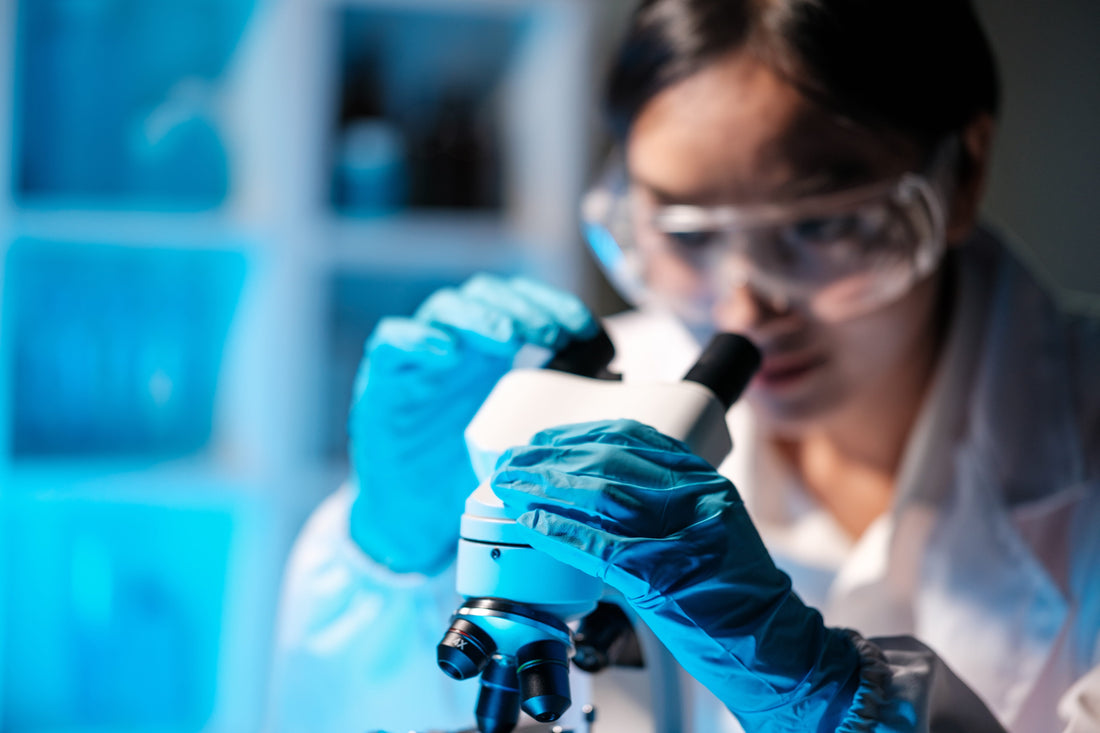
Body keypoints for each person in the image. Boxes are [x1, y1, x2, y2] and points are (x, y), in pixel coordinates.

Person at [269, 1, 1100, 731]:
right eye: (689, 235)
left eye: (820, 226)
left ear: (961, 176)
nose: (742, 309)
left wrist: (836, 706)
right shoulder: (585, 407)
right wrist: (393, 562)